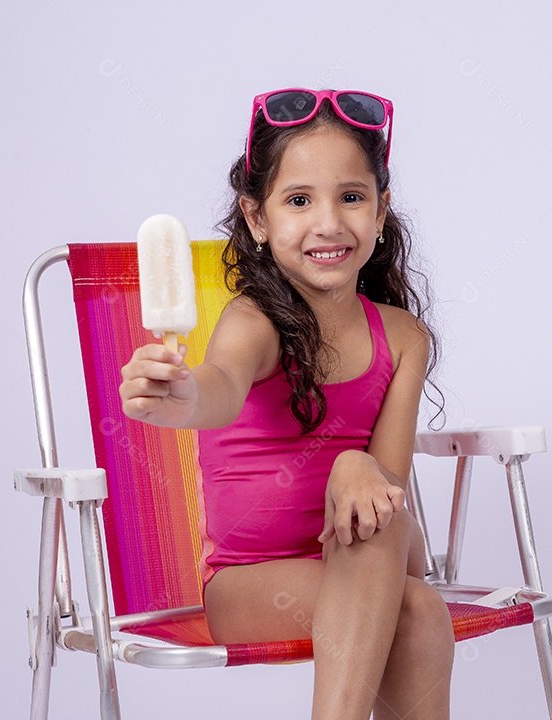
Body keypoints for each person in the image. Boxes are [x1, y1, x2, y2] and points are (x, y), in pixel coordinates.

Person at [119, 88, 453, 720]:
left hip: (368, 549)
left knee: (373, 502)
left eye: (351, 197)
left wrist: (355, 467)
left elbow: (385, 488)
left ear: (381, 211)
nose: (328, 223)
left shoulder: (405, 338)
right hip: (253, 582)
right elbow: (220, 386)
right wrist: (183, 396)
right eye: (299, 200)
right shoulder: (255, 322)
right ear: (257, 218)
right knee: (419, 611)